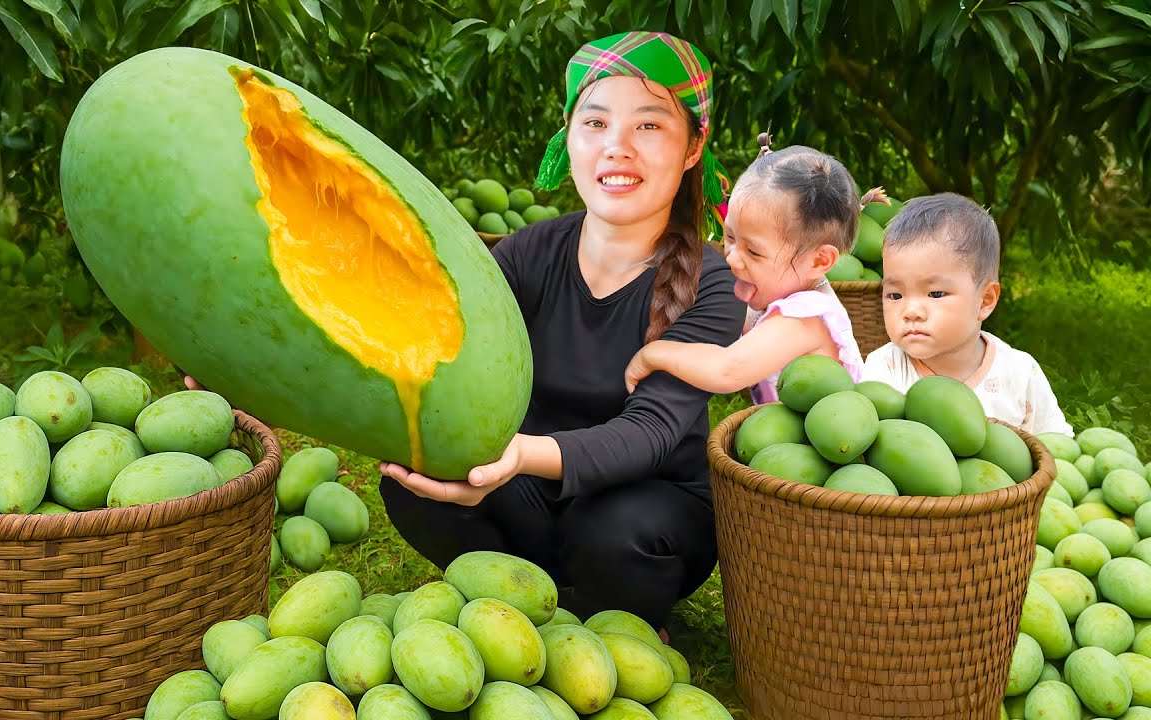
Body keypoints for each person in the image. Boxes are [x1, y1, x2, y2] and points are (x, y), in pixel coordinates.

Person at [377, 31, 747, 633]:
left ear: (693, 146)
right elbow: (434, 346)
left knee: (612, 531)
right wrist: (265, 369)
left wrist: (518, 454)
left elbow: (650, 433)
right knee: (413, 477)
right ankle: (521, 599)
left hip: (646, 509)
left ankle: (616, 611)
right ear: (569, 137)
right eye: (596, 123)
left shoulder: (714, 280)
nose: (617, 148)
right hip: (525, 495)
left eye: (649, 126)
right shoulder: (527, 254)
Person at [625, 138, 877, 402]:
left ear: (818, 261)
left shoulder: (805, 317)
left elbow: (727, 370)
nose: (733, 259)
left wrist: (653, 354)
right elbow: (732, 320)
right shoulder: (783, 294)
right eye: (730, 237)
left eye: (754, 252)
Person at [860, 193, 1073, 436]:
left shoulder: (1020, 373)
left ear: (985, 300)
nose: (911, 312)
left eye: (936, 294)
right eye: (895, 296)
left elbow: (1056, 448)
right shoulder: (884, 369)